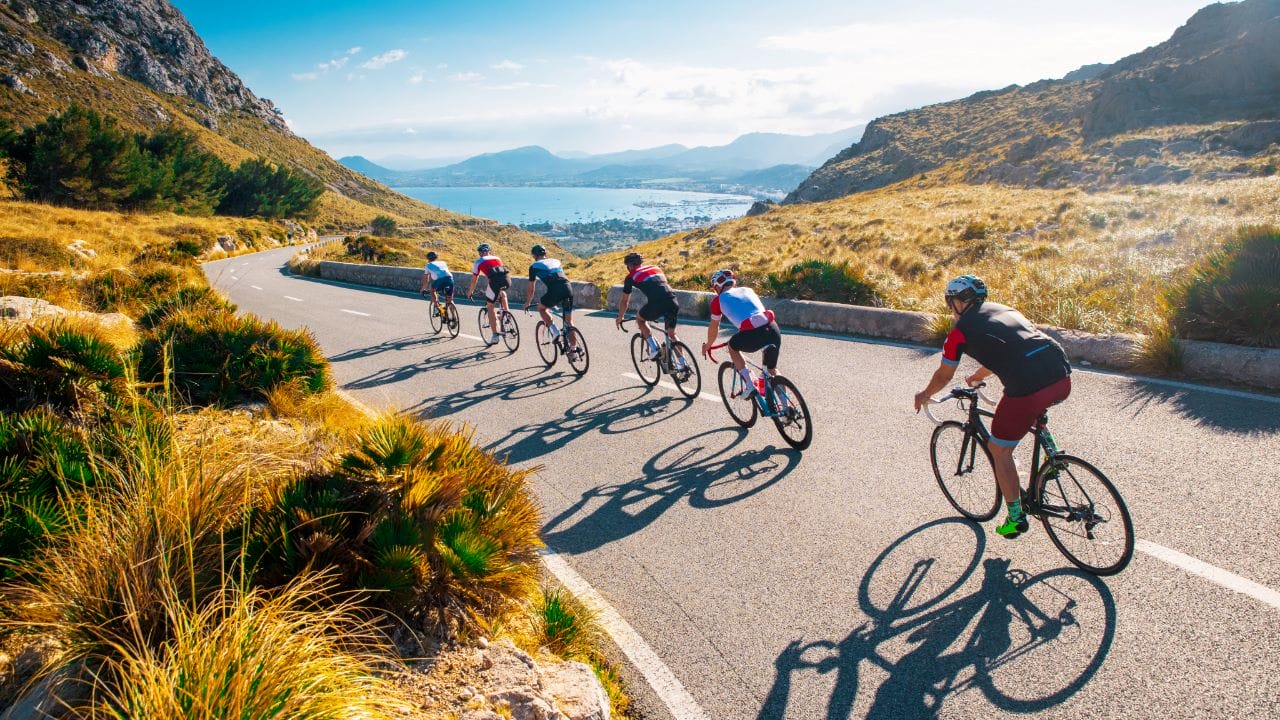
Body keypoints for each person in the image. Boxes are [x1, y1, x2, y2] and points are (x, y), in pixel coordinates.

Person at [913, 275, 1072, 539]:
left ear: (957, 302)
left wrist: (924, 394)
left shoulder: (959, 332)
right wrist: (978, 377)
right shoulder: (1003, 309)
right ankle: (1053, 456)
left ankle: (1015, 517)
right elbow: (1011, 349)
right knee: (1028, 411)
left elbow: (944, 376)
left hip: (1029, 386)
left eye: (951, 302)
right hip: (1061, 374)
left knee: (999, 449)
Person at [701, 269, 781, 398]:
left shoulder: (718, 301)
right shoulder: (748, 290)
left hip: (752, 333)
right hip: (772, 327)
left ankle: (750, 385)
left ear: (717, 287)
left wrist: (708, 345)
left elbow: (714, 327)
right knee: (772, 370)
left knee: (732, 346)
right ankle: (786, 406)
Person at [614, 252, 681, 361]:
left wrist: (620, 317)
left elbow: (625, 301)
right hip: (672, 300)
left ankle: (655, 349)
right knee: (672, 334)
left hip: (657, 303)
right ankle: (683, 366)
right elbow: (659, 287)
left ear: (629, 266)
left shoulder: (630, 276)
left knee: (640, 319)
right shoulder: (655, 268)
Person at [523, 244, 579, 354]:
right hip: (568, 288)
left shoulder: (534, 266)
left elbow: (531, 288)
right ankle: (574, 350)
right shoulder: (556, 261)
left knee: (541, 308)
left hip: (555, 291)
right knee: (569, 322)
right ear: (545, 254)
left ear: (534, 256)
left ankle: (555, 331)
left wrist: (527, 302)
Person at [465, 243, 511, 345]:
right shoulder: (497, 258)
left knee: (490, 306)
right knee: (502, 292)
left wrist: (470, 291)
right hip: (507, 280)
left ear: (480, 253)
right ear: (489, 251)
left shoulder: (478, 262)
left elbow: (474, 280)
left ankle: (495, 335)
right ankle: (507, 314)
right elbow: (499, 271)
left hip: (494, 282)